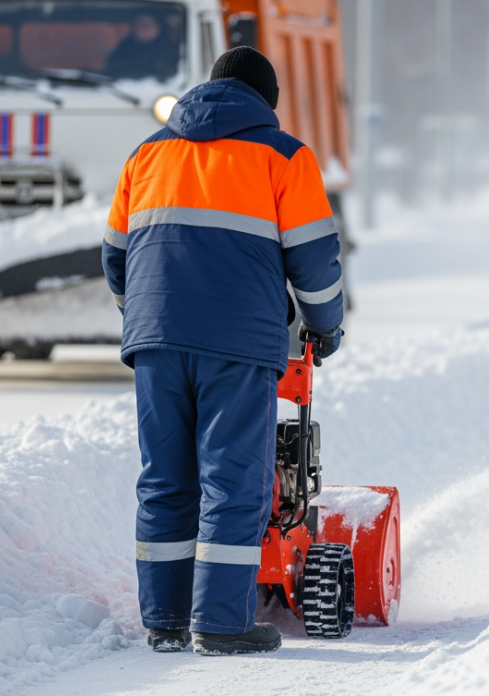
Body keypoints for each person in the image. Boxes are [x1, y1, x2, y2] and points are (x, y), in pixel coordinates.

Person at [101, 46, 344, 655]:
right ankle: (221, 623)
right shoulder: (283, 154)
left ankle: (164, 622)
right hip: (237, 342)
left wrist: (148, 313)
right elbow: (313, 260)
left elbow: (114, 254)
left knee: (165, 480)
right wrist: (325, 326)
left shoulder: (147, 152)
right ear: (268, 103)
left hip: (155, 339)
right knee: (234, 482)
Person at [105, 13, 181, 81]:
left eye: (150, 24)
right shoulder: (121, 52)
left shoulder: (171, 52)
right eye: (141, 24)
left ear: (159, 27)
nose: (146, 28)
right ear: (134, 27)